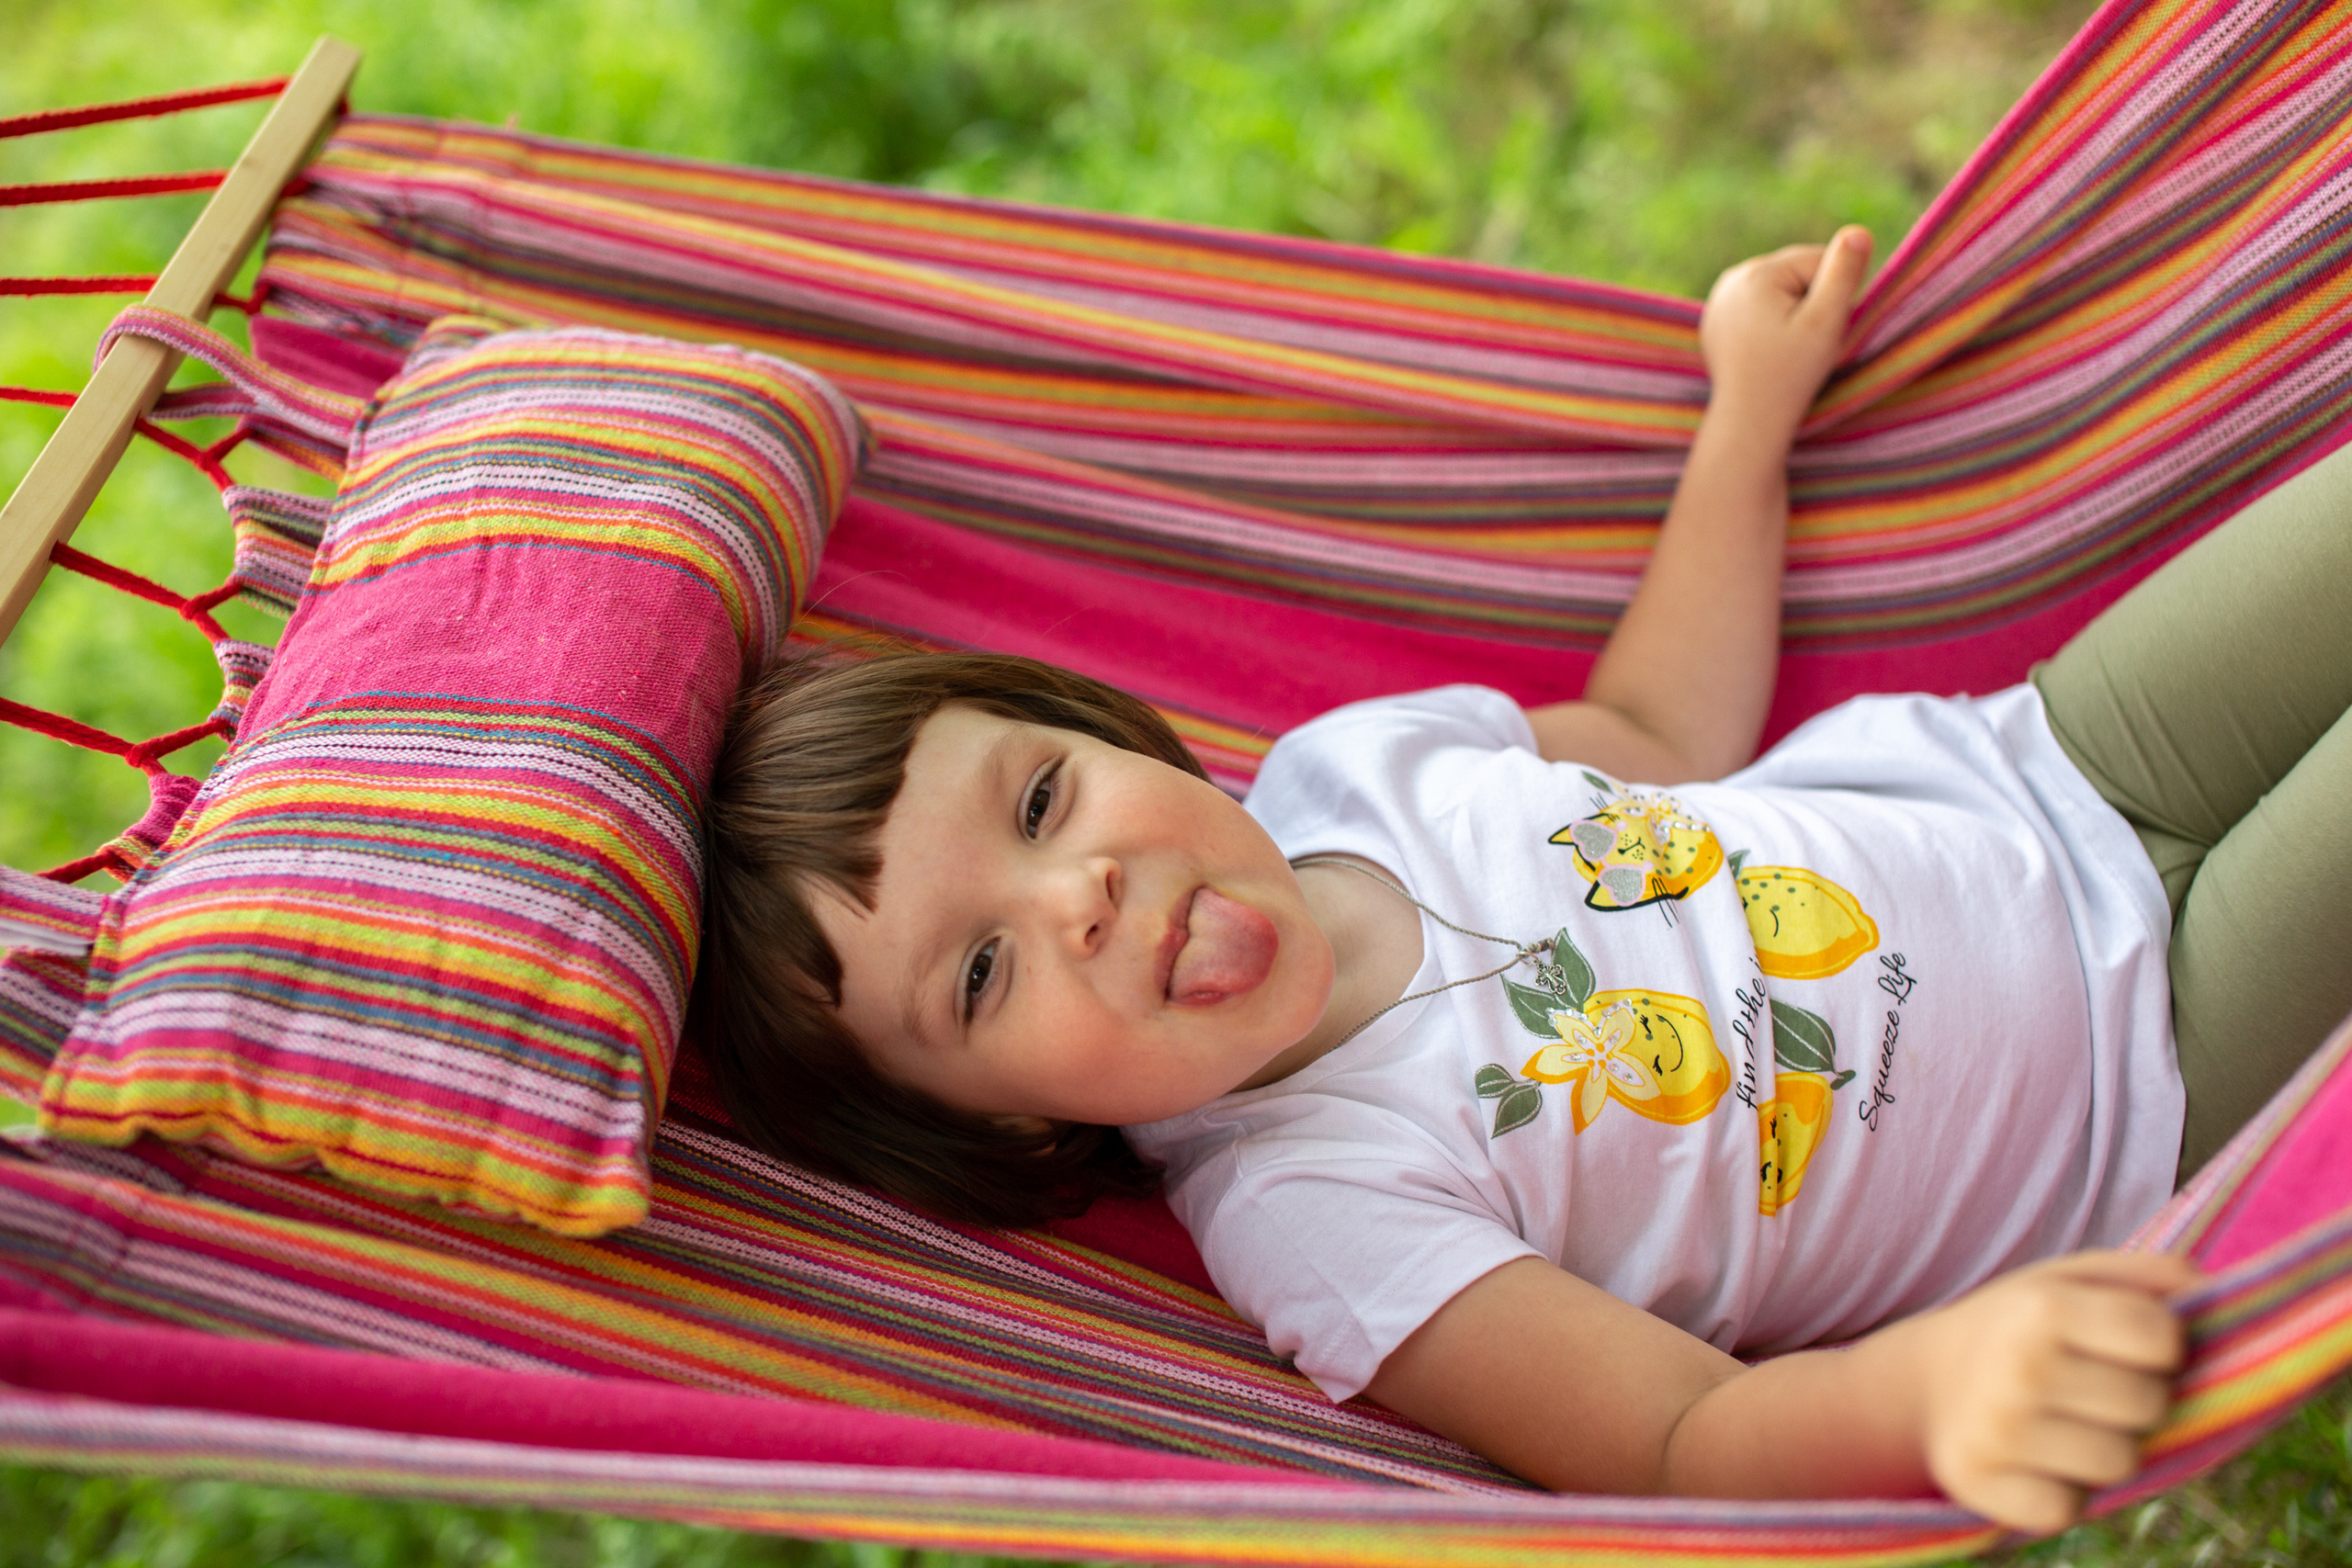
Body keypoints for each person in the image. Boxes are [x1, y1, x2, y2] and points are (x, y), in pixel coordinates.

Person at [693, 225, 2352, 1533]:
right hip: (2153, 1097)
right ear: (996, 1125)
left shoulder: (1353, 770)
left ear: (1107, 731)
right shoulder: (1318, 1214)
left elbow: (1653, 725)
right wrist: (1935, 1395)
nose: (1082, 899)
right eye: (982, 974)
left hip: (2058, 758)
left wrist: (1745, 422)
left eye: (1044, 798)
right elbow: (1685, 1439)